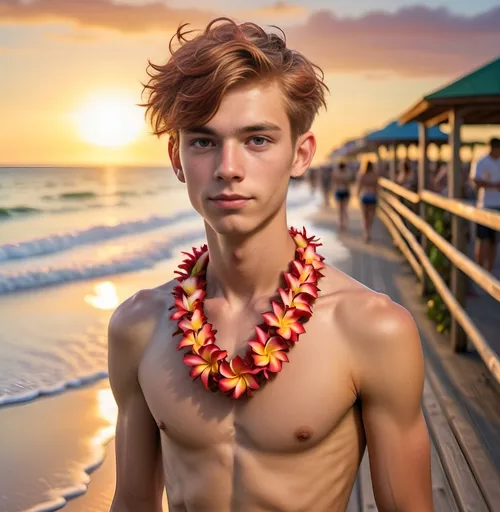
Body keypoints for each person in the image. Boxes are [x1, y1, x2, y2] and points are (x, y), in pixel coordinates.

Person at [108, 18, 433, 512]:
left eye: (257, 139)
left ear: (300, 154)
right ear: (177, 158)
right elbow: (131, 504)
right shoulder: (137, 326)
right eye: (203, 141)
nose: (228, 167)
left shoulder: (371, 329)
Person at [470, 137, 500, 273]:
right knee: (482, 240)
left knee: (494, 241)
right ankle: (479, 267)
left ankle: (489, 269)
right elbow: (475, 181)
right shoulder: (482, 162)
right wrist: (493, 185)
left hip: (498, 205)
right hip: (485, 204)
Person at [356, 160, 379, 243]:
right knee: (371, 216)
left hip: (364, 195)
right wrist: (377, 196)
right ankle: (369, 231)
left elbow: (359, 187)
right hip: (372, 196)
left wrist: (357, 195)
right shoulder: (375, 175)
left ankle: (366, 233)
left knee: (364, 216)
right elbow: (377, 187)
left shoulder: (362, 175)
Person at [331, 161, 351, 232]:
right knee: (345, 209)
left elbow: (334, 182)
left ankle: (340, 224)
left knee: (339, 209)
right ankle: (345, 223)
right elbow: (348, 183)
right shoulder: (347, 174)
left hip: (338, 191)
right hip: (345, 191)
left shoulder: (336, 173)